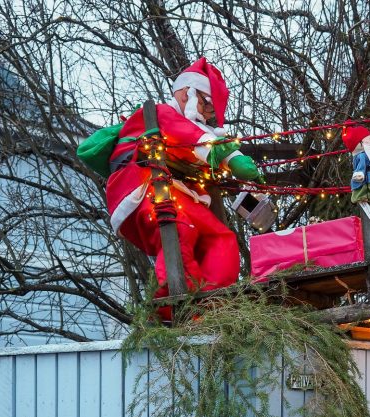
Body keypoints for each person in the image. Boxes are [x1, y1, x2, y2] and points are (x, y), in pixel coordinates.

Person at [105, 57, 260, 298]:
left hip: (180, 193)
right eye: (206, 103)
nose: (208, 113)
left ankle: (216, 300)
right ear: (187, 92)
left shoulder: (195, 127)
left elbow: (202, 138)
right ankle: (178, 302)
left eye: (211, 109)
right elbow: (189, 136)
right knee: (181, 229)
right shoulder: (161, 114)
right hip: (145, 187)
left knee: (221, 237)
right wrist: (230, 158)